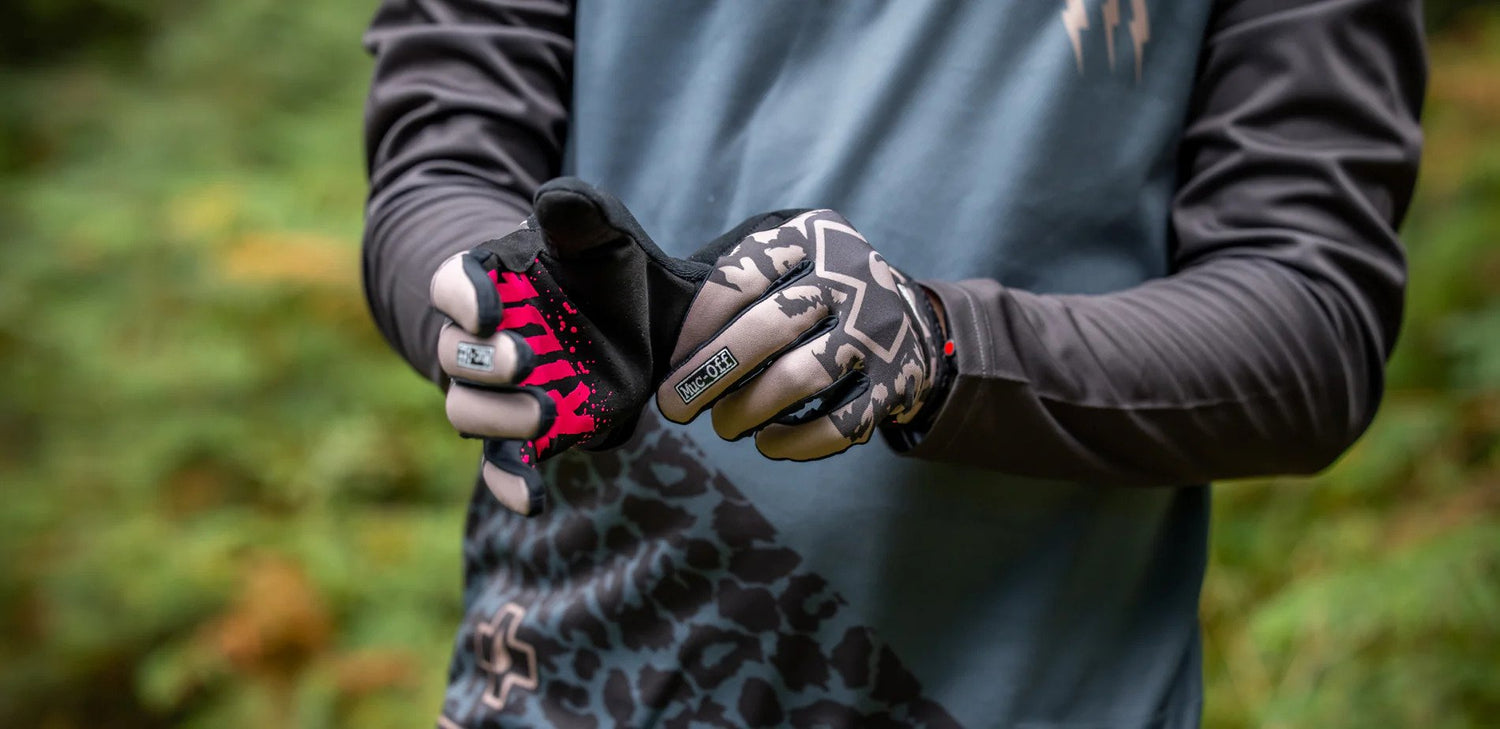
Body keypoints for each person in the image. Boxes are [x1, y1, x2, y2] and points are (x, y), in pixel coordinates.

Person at [361, 1, 1425, 726]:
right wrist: (500, 300)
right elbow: (438, 170)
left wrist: (943, 346)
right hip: (573, 681)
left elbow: (1310, 319)